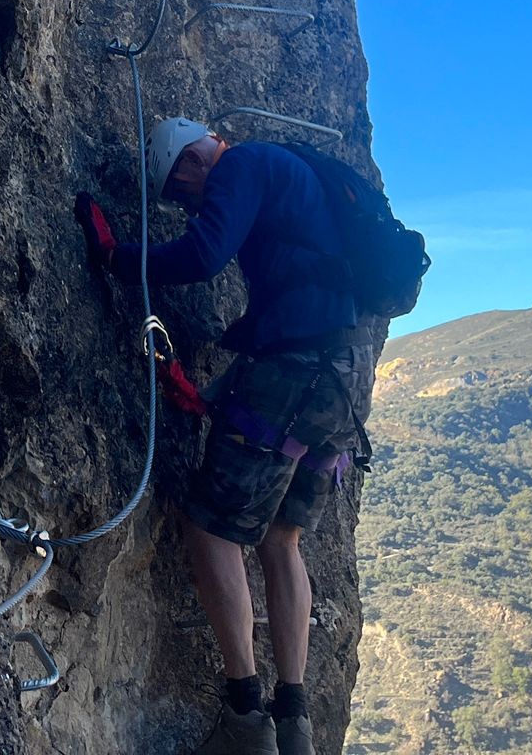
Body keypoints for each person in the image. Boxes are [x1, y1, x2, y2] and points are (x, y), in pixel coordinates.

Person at [80, 117, 371, 755]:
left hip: (293, 372)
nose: (190, 204)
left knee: (211, 529)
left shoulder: (242, 165)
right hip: (344, 376)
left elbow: (205, 255)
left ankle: (245, 715)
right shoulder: (294, 177)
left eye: (182, 195)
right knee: (280, 537)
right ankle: (293, 719)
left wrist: (117, 260)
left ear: (187, 164)